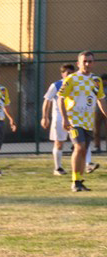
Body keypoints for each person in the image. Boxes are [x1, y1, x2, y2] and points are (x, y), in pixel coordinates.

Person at [57, 51, 107, 192]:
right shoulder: (71, 79)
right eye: (84, 61)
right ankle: (74, 181)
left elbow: (101, 100)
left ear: (94, 63)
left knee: (84, 151)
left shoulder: (96, 81)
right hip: (74, 120)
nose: (87, 64)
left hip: (88, 121)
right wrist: (65, 118)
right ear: (78, 63)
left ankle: (79, 181)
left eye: (90, 61)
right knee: (79, 147)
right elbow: (61, 98)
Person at [41, 63, 76, 175]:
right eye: (68, 73)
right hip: (59, 118)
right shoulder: (56, 85)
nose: (70, 75)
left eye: (72, 73)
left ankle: (86, 164)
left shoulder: (77, 84)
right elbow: (47, 100)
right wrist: (45, 117)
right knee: (59, 143)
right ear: (62, 74)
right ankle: (58, 168)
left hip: (74, 118)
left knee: (80, 142)